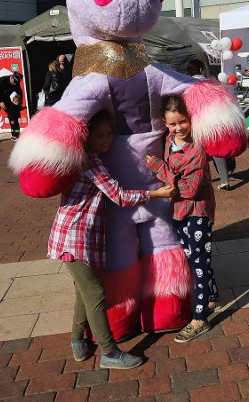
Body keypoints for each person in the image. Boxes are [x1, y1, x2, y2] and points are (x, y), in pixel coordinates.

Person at [50, 109, 174, 370]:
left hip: (75, 236)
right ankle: (109, 353)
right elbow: (118, 196)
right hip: (76, 236)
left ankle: (77, 339)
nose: (106, 140)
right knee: (95, 292)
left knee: (83, 290)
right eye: (99, 135)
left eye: (109, 134)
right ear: (86, 136)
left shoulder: (84, 158)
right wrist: (156, 194)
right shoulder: (91, 162)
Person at [147, 94, 221, 343]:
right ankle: (211, 296)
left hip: (198, 210)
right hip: (177, 211)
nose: (178, 128)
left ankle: (200, 319)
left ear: (190, 119)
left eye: (182, 122)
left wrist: (160, 168)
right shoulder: (169, 140)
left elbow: (189, 190)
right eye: (172, 124)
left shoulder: (197, 150)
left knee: (198, 262)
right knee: (194, 256)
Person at [185, 58, 234, 190]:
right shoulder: (213, 83)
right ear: (201, 69)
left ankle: (201, 180)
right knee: (216, 152)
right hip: (214, 122)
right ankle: (225, 180)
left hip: (197, 123)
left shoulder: (186, 85)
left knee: (199, 154)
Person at [0, 72, 24, 143]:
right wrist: (0, 102)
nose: (15, 84)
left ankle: (15, 135)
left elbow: (19, 91)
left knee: (13, 113)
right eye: (14, 82)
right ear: (12, 78)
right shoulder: (2, 81)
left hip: (5, 99)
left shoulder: (16, 82)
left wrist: (19, 103)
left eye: (17, 83)